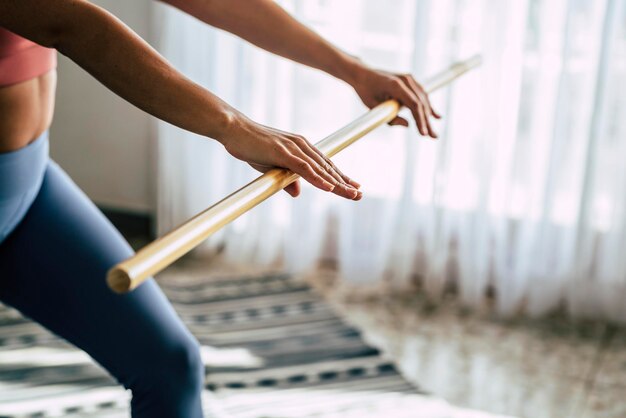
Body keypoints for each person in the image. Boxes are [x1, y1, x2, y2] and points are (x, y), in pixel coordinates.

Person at [0, 1, 440, 417]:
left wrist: (352, 70)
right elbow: (72, 25)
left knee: (169, 366)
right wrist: (233, 127)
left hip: (28, 183)